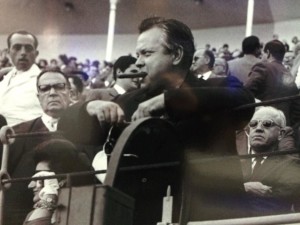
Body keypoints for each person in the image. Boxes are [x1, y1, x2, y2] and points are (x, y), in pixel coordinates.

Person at [109, 16, 255, 224]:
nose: (138, 62)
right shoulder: (131, 100)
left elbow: (245, 101)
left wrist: (170, 100)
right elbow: (69, 124)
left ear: (176, 54)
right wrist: (90, 107)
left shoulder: (217, 87)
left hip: (209, 215)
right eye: (138, 54)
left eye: (147, 53)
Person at [0, 68, 124, 225]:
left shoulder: (96, 130)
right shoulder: (18, 134)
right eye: (45, 88)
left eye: (59, 86)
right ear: (38, 97)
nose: (52, 92)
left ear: (70, 93)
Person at [243, 106, 300, 216]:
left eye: (267, 124)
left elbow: (278, 202)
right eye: (253, 123)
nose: (258, 128)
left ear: (281, 134)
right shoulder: (235, 160)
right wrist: (245, 188)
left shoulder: (292, 163)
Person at [23, 138, 94, 225]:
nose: (31, 185)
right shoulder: (32, 215)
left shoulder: (80, 214)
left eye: (41, 177)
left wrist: (49, 198)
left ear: (62, 181)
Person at [245, 40, 300, 127]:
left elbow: (246, 93)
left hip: (262, 124)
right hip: (283, 127)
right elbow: (297, 107)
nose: (261, 57)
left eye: (262, 54)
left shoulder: (262, 67)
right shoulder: (289, 74)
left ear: (268, 53)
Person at [0, 30, 43, 126]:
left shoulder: (43, 82)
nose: (23, 52)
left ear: (36, 54)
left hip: (24, 135)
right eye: (17, 48)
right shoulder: (5, 78)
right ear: (8, 52)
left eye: (28, 48)